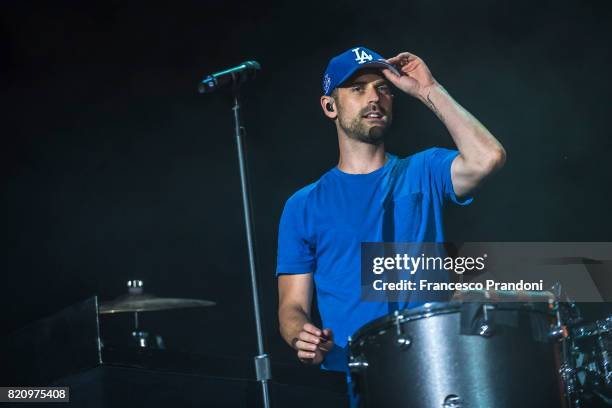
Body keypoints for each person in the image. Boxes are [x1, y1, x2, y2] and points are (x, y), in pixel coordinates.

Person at [276, 46, 505, 379]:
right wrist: (302, 334)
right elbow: (291, 307)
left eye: (382, 88)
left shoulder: (424, 169)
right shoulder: (303, 204)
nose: (374, 98)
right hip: (350, 374)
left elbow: (488, 158)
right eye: (357, 89)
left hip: (432, 371)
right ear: (330, 107)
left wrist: (429, 90)